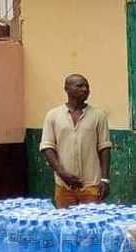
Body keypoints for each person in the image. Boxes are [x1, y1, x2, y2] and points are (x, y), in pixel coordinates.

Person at [39, 74, 112, 208]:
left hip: (92, 185)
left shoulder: (98, 115)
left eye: (87, 86)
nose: (85, 89)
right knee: (66, 226)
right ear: (67, 89)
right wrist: (62, 174)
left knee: (91, 225)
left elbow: (104, 148)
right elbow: (47, 147)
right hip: (64, 186)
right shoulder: (53, 115)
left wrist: (105, 179)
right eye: (79, 86)